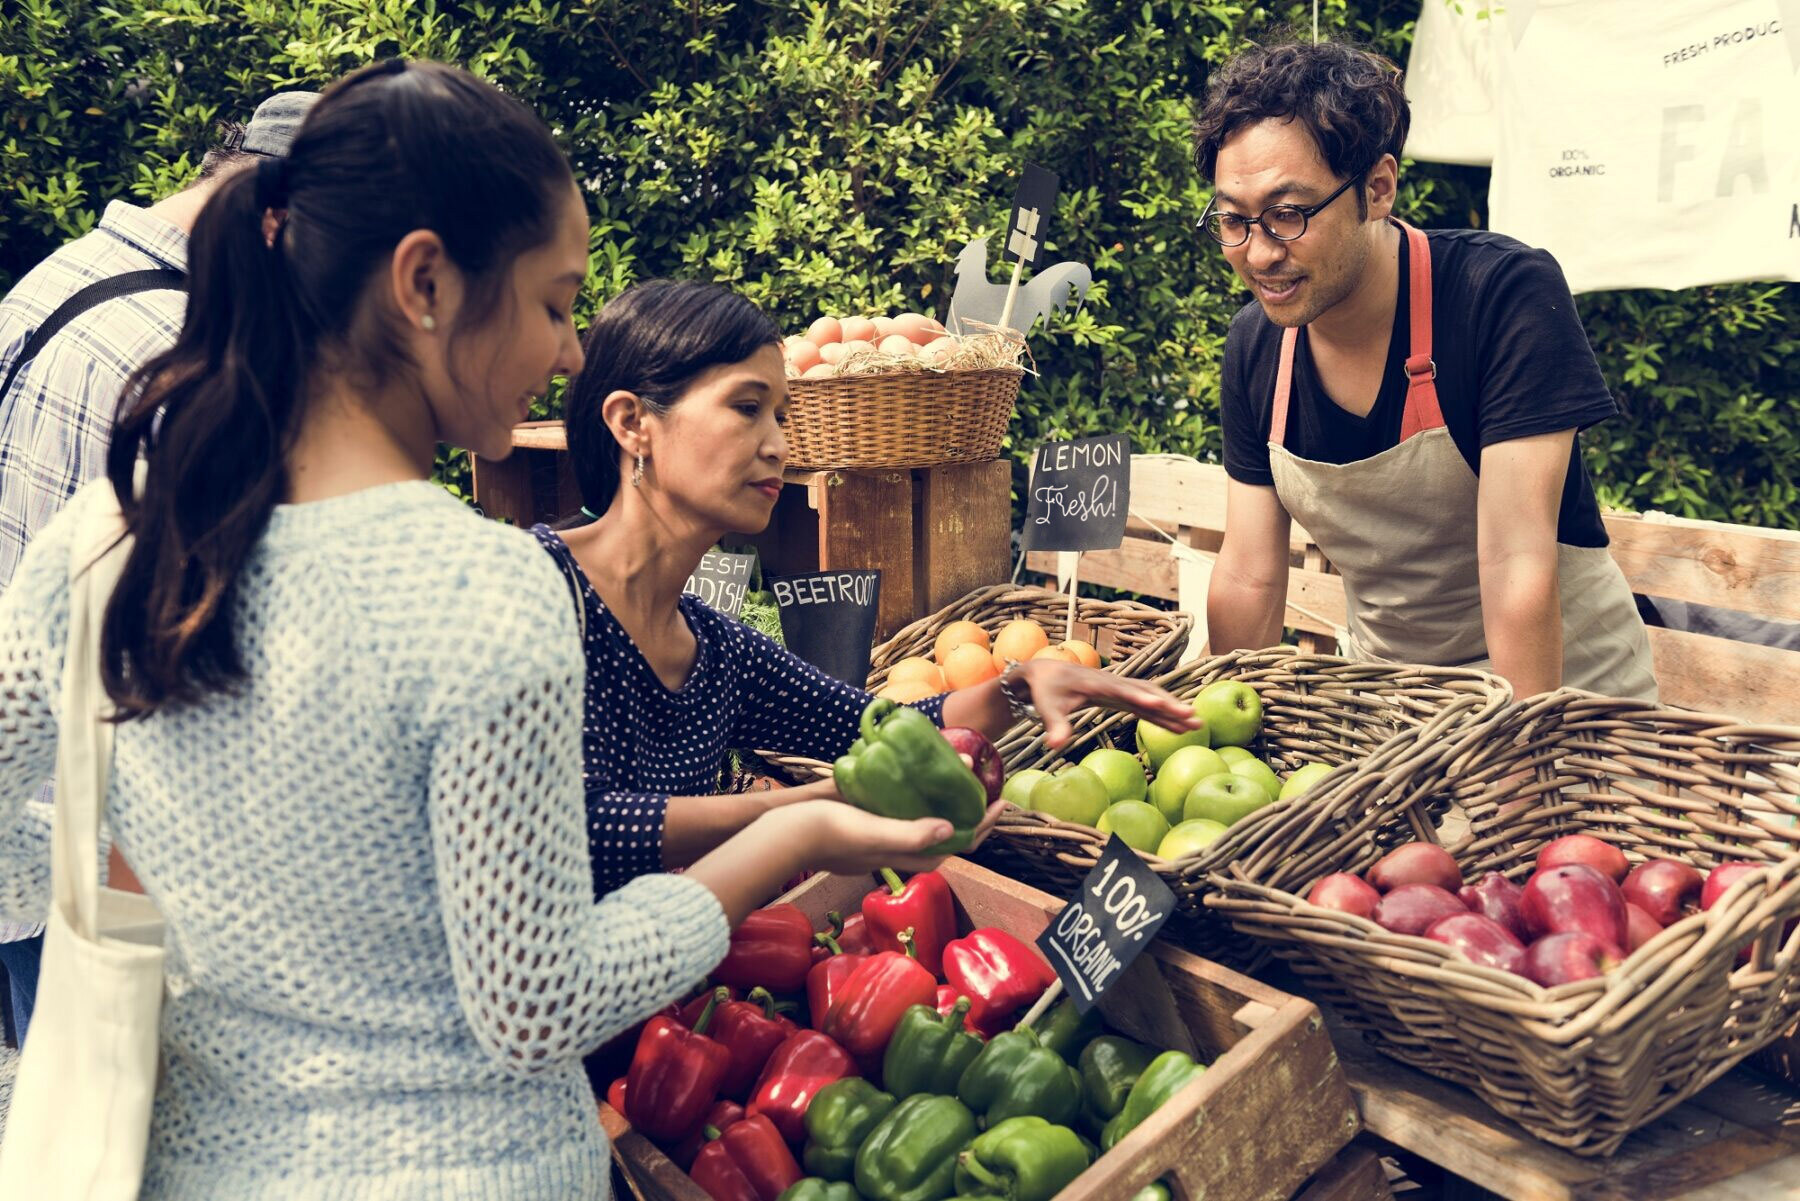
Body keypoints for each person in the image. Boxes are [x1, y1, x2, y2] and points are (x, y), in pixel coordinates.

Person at [0, 59, 951, 1196]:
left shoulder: (114, 532)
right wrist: (789, 840)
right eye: (554, 303)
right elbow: (536, 1002)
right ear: (425, 284)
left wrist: (124, 918)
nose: (565, 352)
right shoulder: (485, 591)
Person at [538, 279, 1202, 895]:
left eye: (781, 415)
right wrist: (799, 812)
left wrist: (1018, 688)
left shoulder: (715, 650)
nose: (778, 444)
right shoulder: (536, 589)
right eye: (747, 407)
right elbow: (568, 824)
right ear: (632, 423)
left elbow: (877, 727)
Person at [1194, 40, 1657, 702]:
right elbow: (1249, 575)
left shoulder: (1499, 295)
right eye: (1235, 221)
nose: (1259, 253)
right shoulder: (1257, 348)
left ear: (1377, 188)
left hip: (1565, 700)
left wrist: (1518, 768)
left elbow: (1514, 562)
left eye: (1288, 215)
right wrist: (1220, 739)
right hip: (1395, 712)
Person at [0, 90, 317, 1049]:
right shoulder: (190, 357)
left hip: (30, 841)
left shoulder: (57, 281)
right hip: (117, 868)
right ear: (279, 222)